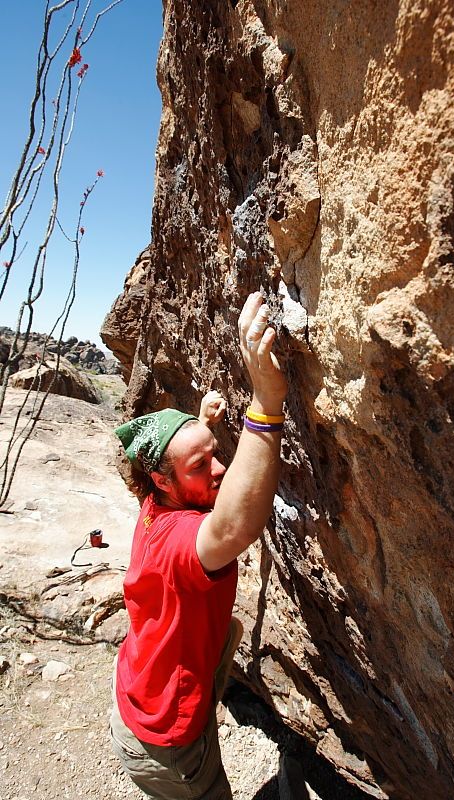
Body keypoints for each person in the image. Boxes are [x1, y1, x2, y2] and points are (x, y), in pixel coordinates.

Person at [109, 292, 288, 799]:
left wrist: (203, 424)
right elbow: (233, 527)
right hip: (167, 742)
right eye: (200, 465)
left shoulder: (155, 500)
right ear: (164, 481)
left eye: (215, 455)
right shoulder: (180, 544)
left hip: (138, 695)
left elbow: (185, 460)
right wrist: (267, 403)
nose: (221, 469)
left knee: (222, 633)